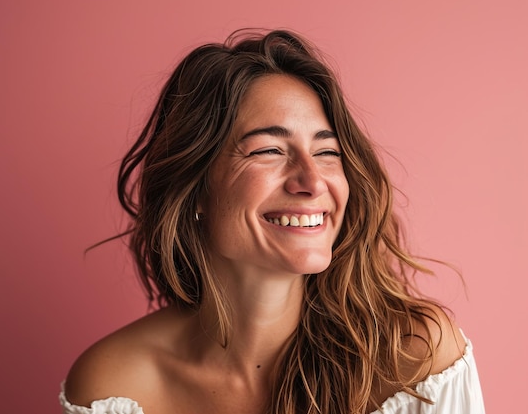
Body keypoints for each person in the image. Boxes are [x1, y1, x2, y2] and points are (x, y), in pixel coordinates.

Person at [59, 29, 485, 414]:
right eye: (269, 151)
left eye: (327, 152)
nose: (312, 180)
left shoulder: (417, 357)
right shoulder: (113, 389)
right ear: (195, 189)